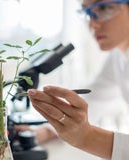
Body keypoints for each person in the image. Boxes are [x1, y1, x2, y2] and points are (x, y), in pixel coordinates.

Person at [27, 0, 129, 159]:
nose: (93, 25)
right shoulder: (118, 56)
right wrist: (47, 130)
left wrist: (87, 137)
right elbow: (95, 100)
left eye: (104, 8)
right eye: (87, 13)